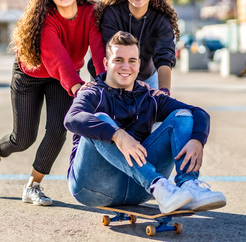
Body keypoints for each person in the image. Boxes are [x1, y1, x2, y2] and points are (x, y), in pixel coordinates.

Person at [0, 0, 106, 206]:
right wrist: (78, 87)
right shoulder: (46, 20)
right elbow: (58, 58)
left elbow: (98, 51)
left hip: (62, 78)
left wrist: (104, 82)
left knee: (59, 130)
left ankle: (32, 186)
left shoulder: (91, 12)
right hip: (31, 76)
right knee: (23, 138)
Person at [64, 31, 226, 213]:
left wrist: (197, 140)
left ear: (139, 65)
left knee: (183, 115)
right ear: (105, 63)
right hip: (93, 188)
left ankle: (188, 184)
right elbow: (72, 118)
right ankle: (158, 185)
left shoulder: (149, 97)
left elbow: (198, 113)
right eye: (118, 60)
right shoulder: (93, 93)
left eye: (132, 61)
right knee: (101, 119)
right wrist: (117, 135)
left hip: (139, 190)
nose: (126, 66)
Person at [89, 0, 179, 94]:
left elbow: (164, 57)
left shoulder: (161, 19)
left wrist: (164, 92)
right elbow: (111, 53)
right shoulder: (112, 13)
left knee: (150, 112)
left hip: (146, 76)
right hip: (110, 73)